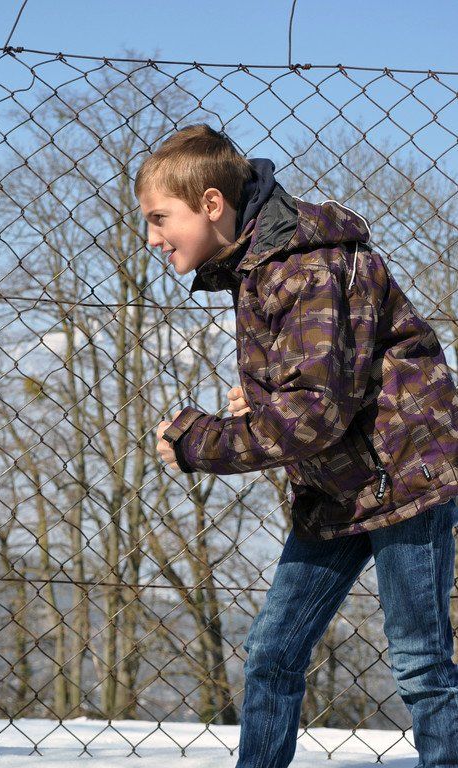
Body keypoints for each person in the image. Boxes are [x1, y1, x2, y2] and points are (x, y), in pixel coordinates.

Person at [135, 123, 458, 767]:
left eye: (158, 218)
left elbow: (313, 413)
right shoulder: (259, 266)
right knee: (273, 651)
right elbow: (321, 381)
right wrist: (264, 399)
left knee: (420, 660)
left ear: (211, 204)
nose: (151, 237)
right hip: (340, 485)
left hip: (405, 477)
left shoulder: (306, 265)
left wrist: (200, 441)